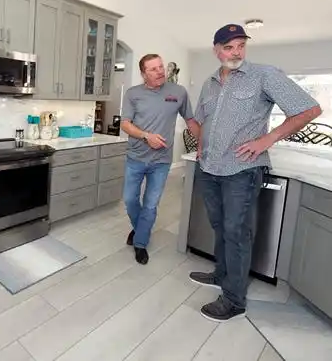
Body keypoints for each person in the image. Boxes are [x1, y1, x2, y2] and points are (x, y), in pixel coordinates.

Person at [189, 24, 322, 322]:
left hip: (241, 169)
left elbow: (308, 109)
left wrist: (267, 139)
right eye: (228, 47)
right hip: (210, 167)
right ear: (216, 50)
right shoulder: (210, 83)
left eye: (240, 45)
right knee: (220, 226)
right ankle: (222, 274)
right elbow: (200, 120)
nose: (235, 52)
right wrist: (201, 145)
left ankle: (234, 300)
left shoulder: (264, 75)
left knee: (236, 232)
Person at [120, 53, 200, 265]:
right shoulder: (133, 94)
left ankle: (140, 243)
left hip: (162, 161)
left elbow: (190, 120)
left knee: (151, 204)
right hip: (135, 157)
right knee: (129, 200)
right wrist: (146, 136)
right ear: (143, 74)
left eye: (161, 67)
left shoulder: (178, 92)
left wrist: (203, 143)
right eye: (153, 69)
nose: (160, 72)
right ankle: (140, 230)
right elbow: (125, 124)